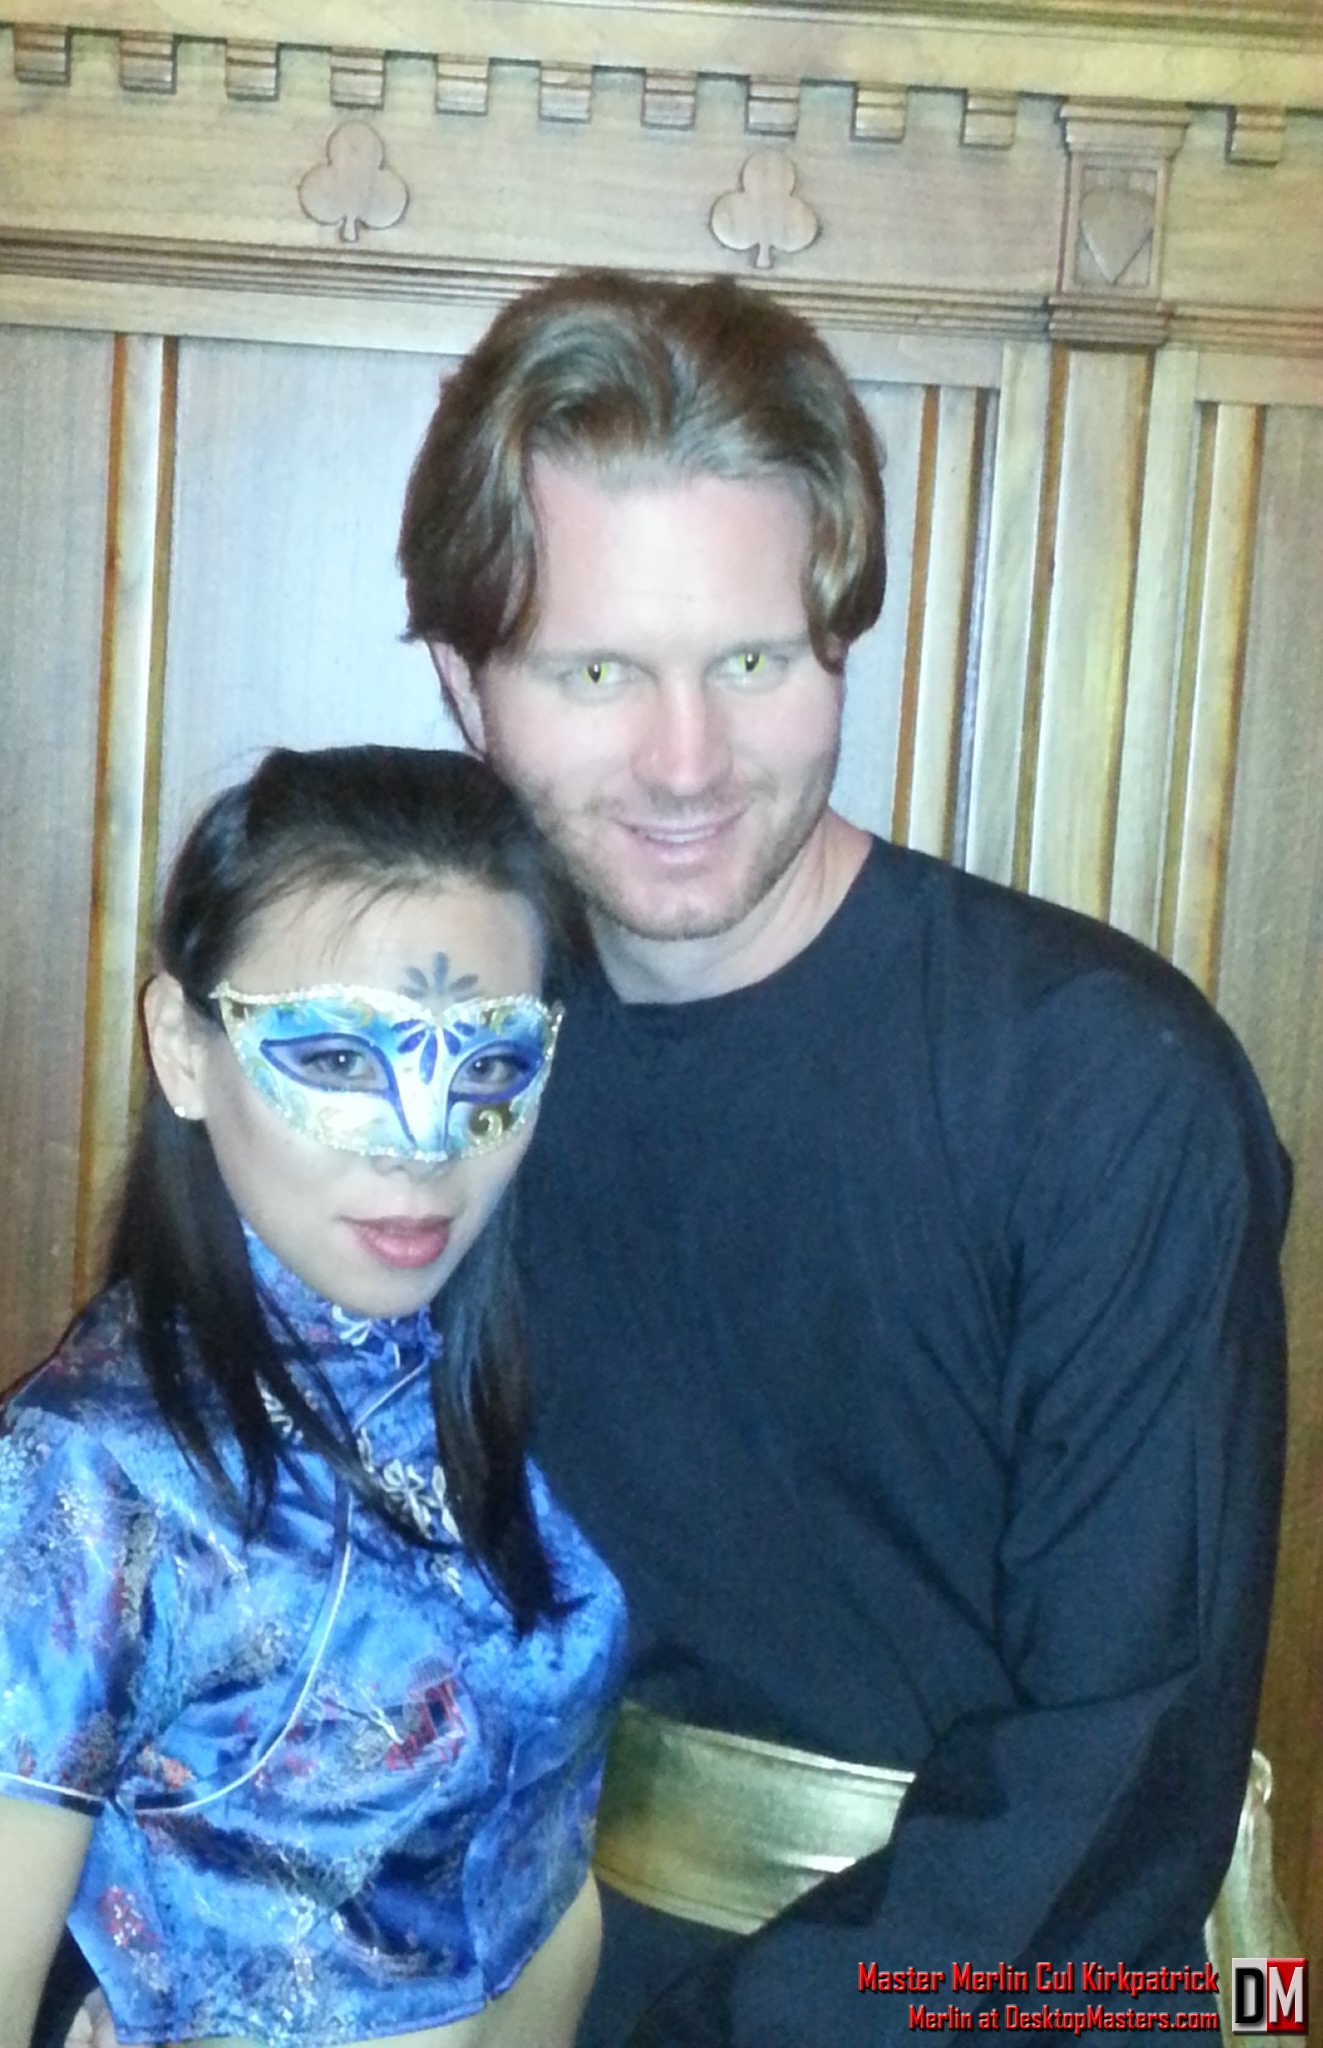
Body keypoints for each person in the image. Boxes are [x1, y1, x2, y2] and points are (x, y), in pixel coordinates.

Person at [397, 271, 1292, 2046]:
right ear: (463, 688)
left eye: (752, 662)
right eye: (597, 671)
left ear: (838, 646)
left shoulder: (1108, 1088)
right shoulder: (446, 1067)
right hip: (526, 1971)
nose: (686, 761)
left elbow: (1112, 1785)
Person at [0, 744, 628, 2048]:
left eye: (486, 1067)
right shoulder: (86, 1482)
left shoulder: (466, 1393)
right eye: (336, 1059)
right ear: (185, 1047)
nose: (424, 1145)